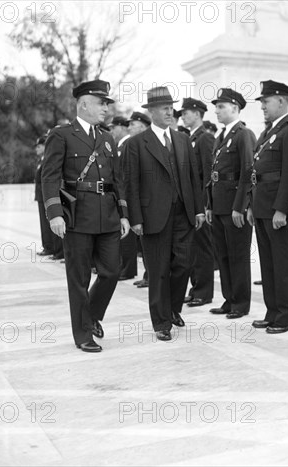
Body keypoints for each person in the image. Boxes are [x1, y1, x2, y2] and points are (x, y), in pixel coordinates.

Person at [42, 79, 130, 353]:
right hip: (77, 216)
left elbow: (118, 179)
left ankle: (91, 315)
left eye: (107, 103)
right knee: (78, 278)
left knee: (112, 272)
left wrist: (124, 214)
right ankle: (83, 334)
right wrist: (55, 213)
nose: (106, 108)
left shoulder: (106, 137)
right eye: (101, 103)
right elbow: (50, 176)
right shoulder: (61, 135)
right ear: (83, 104)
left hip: (108, 215)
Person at [125, 87, 205, 342]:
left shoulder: (182, 139)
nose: (170, 111)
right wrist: (135, 218)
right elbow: (131, 184)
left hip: (184, 213)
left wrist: (199, 209)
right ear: (151, 112)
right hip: (152, 216)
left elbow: (194, 177)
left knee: (183, 263)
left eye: (171, 107)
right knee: (158, 268)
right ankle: (161, 322)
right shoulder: (137, 144)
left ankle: (173, 308)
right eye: (163, 108)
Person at [248, 80, 288, 333]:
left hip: (277, 209)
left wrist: (283, 209)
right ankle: (273, 312)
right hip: (262, 207)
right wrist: (251, 205)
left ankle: (287, 316)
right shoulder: (268, 133)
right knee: (268, 264)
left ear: (281, 101)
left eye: (266, 102)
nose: (263, 107)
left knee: (282, 265)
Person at [206, 88, 256, 319]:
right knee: (223, 255)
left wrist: (241, 206)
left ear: (235, 108)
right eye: (216, 106)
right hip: (219, 205)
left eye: (221, 106)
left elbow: (248, 172)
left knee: (238, 255)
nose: (216, 111)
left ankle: (241, 303)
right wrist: (209, 205)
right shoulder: (221, 136)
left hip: (234, 205)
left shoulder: (243, 134)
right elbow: (213, 174)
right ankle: (229, 298)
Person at [180, 97, 215, 308]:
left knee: (203, 249)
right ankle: (195, 289)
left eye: (187, 112)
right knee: (193, 249)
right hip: (190, 204)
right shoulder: (189, 138)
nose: (183, 116)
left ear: (198, 114)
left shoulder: (205, 138)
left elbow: (209, 173)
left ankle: (204, 292)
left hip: (200, 203)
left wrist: (205, 204)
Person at [109, 116, 138, 281]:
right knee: (121, 233)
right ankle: (122, 266)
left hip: (126, 195)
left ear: (122, 127)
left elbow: (127, 174)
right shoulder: (119, 145)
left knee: (128, 235)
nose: (112, 131)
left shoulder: (128, 144)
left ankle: (127, 268)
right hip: (119, 195)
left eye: (114, 128)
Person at [127, 111, 152, 288]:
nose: (129, 128)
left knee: (150, 245)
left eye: (132, 125)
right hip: (138, 201)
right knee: (143, 245)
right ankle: (148, 274)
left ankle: (151, 275)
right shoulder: (133, 144)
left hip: (150, 203)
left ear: (143, 126)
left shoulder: (146, 144)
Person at [33, 136, 56, 257]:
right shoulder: (41, 160)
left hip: (45, 196)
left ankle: (51, 247)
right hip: (40, 196)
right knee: (44, 224)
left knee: (48, 223)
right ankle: (47, 246)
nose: (36, 149)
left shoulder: (47, 159)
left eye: (39, 146)